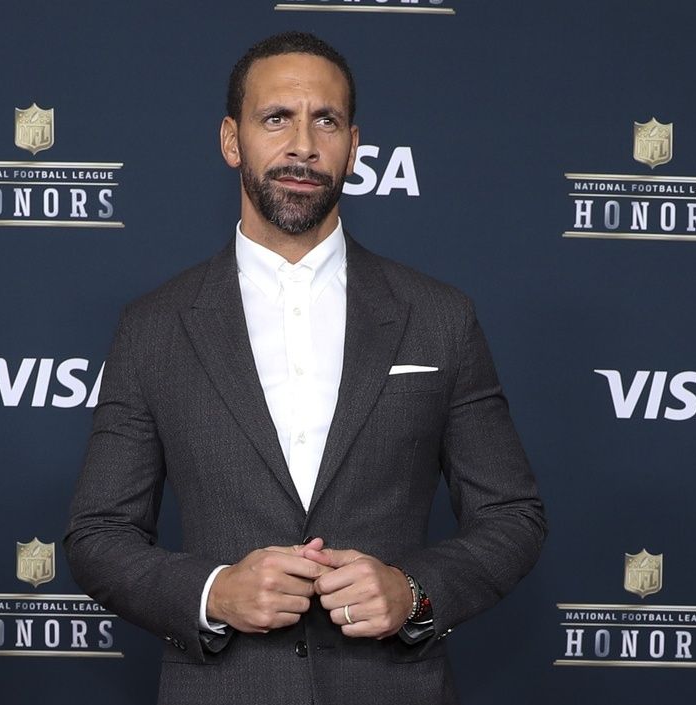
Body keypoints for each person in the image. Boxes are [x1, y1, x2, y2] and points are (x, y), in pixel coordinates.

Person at [65, 31, 546, 705]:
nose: (302, 145)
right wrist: (213, 591)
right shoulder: (155, 327)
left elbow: (512, 515)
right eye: (276, 119)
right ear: (232, 140)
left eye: (325, 120)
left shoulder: (440, 317)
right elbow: (97, 533)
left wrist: (412, 590)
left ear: (353, 143)